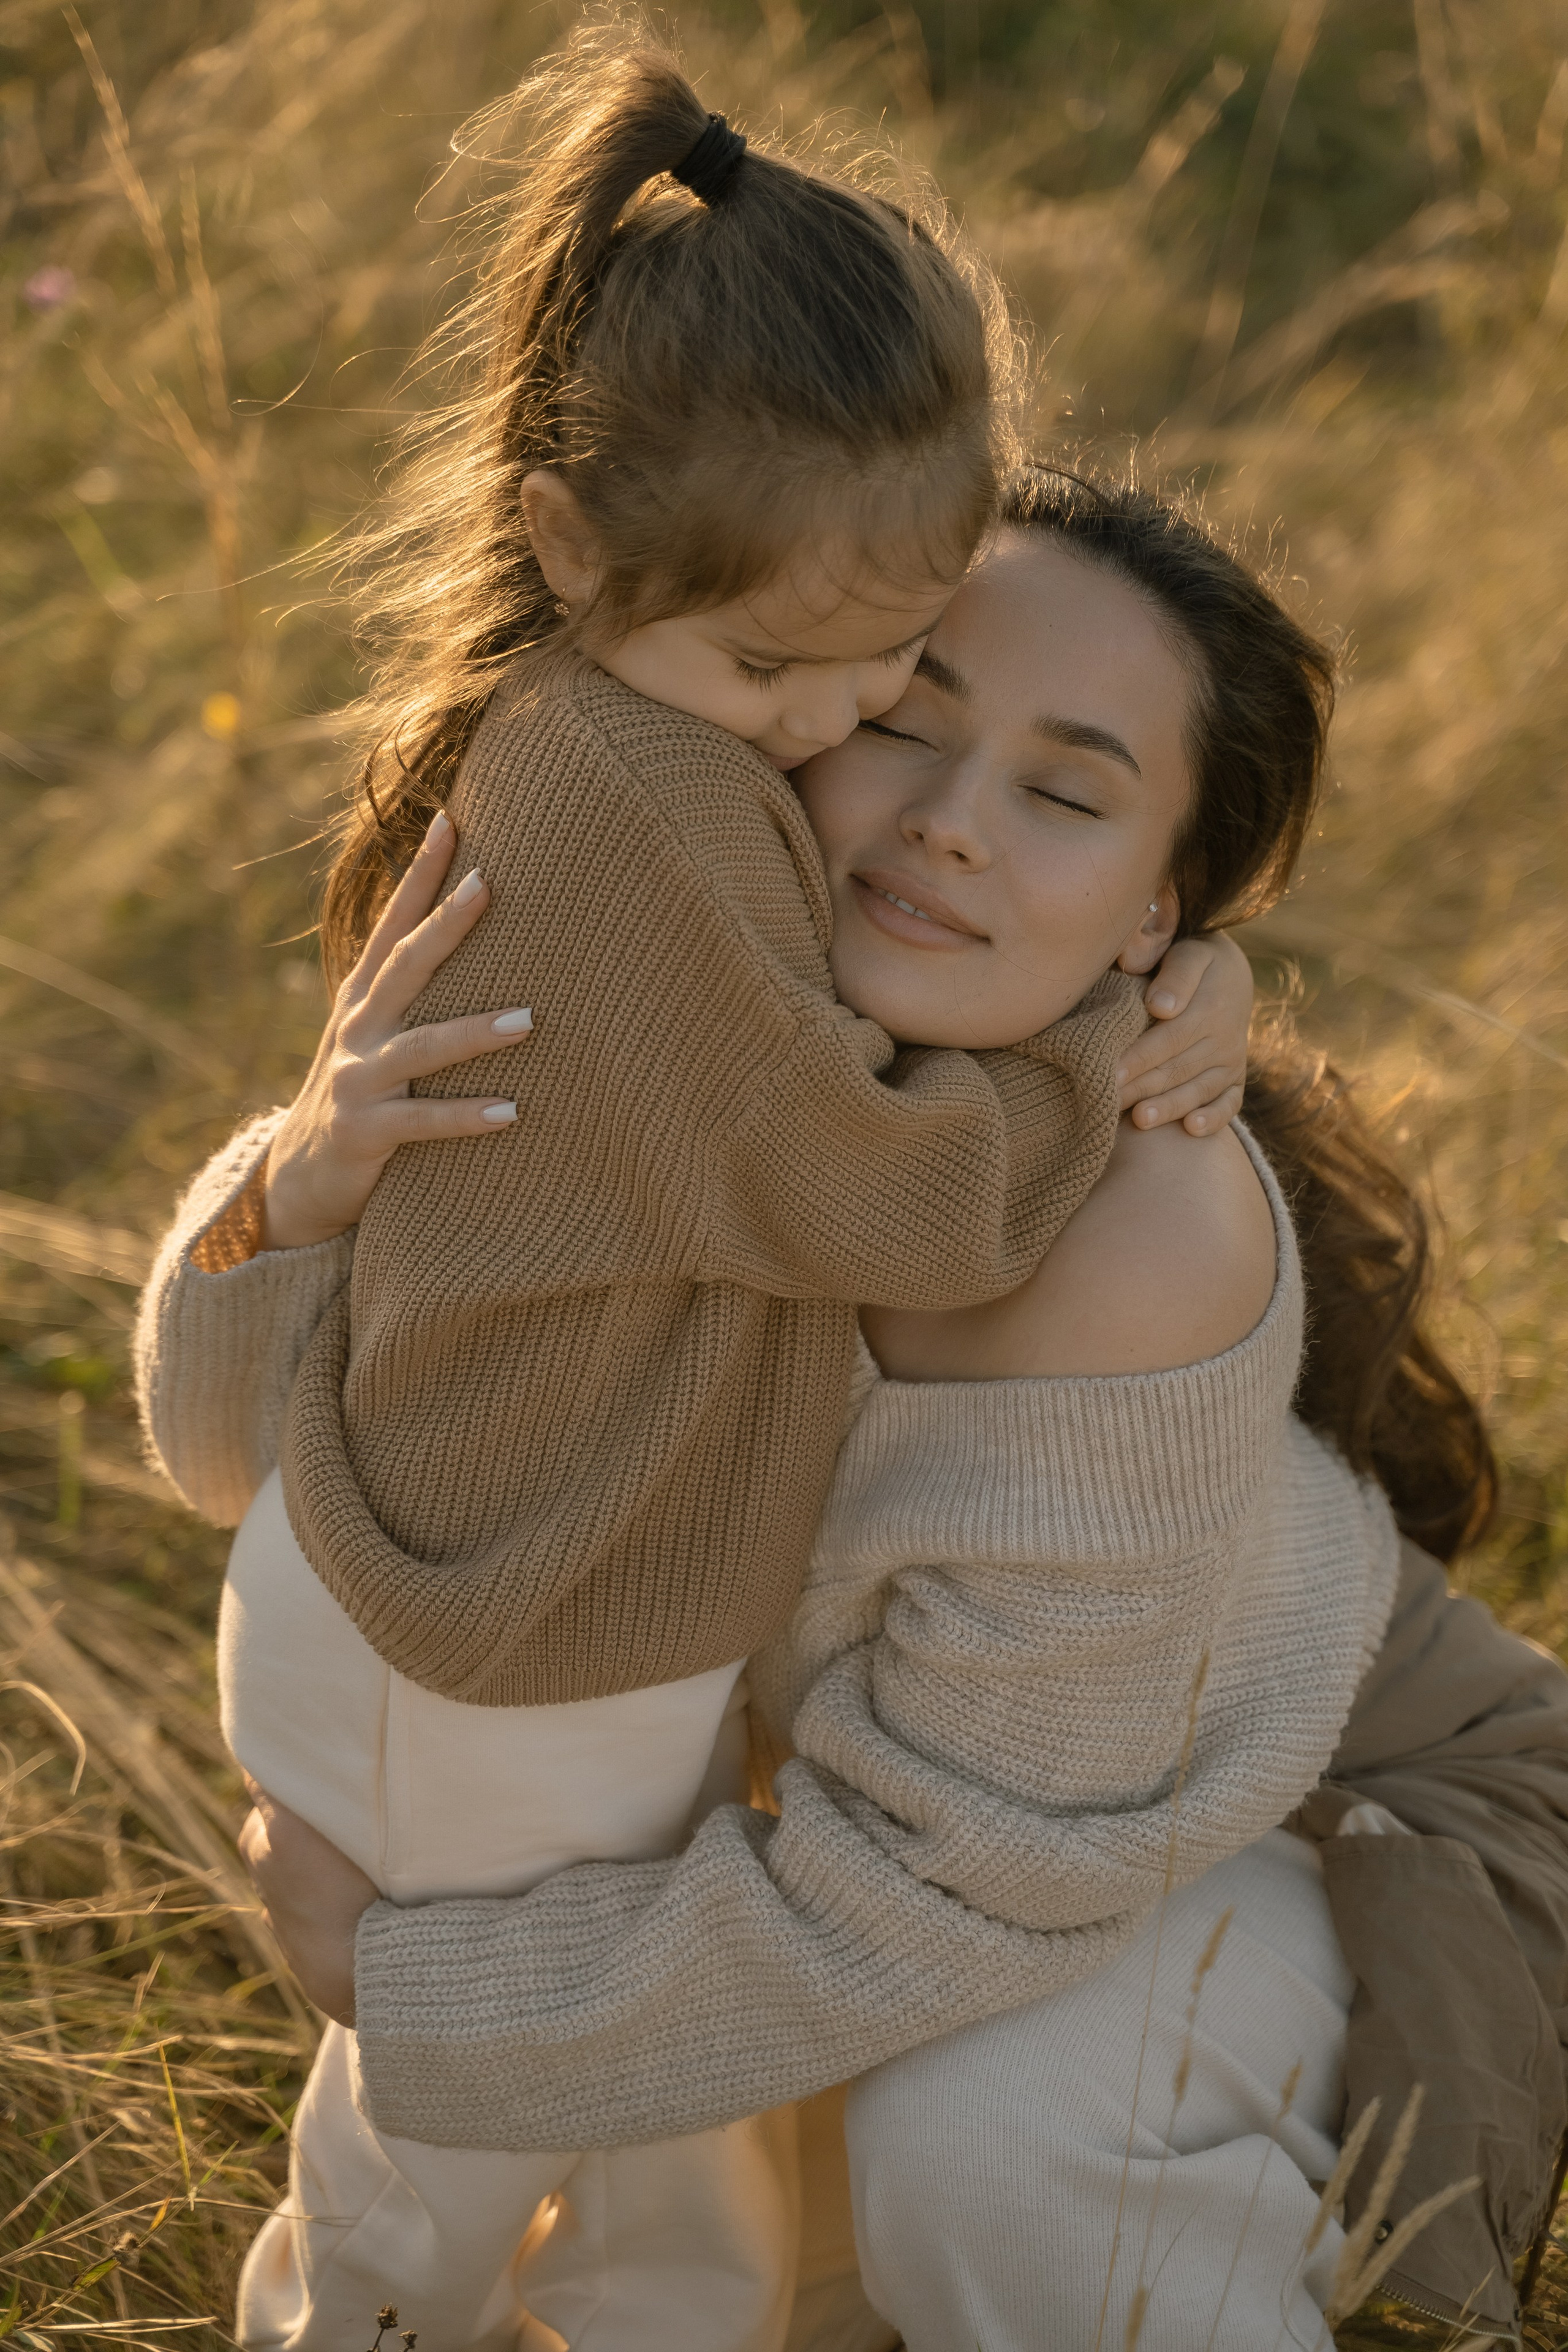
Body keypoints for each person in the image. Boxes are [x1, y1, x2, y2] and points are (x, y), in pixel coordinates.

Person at [143, 28, 1259, 2350]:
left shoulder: (647, 724)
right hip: (492, 1637)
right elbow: (897, 1198)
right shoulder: (638, 812)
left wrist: (1191, 965)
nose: (844, 731)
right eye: (803, 675)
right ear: (571, 543)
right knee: (446, 2147)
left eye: (890, 656)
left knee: (665, 2134)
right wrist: (1103, 1029)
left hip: (545, 1601)